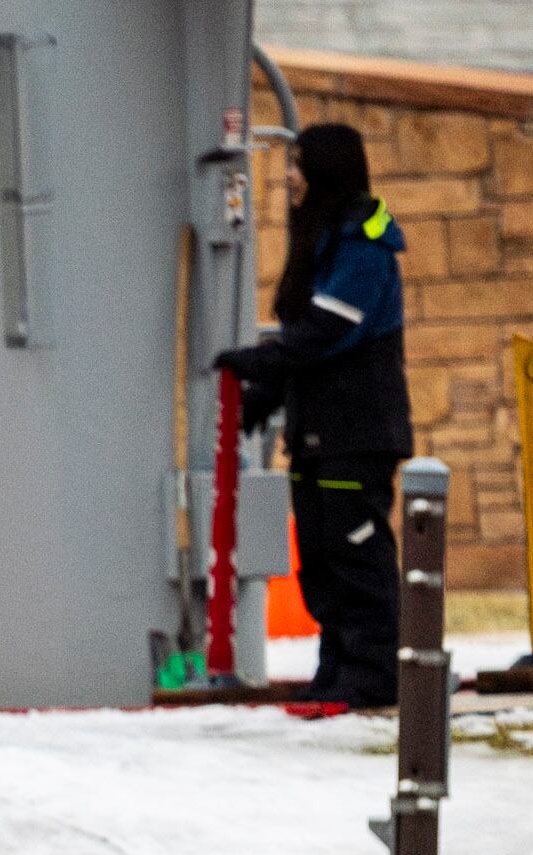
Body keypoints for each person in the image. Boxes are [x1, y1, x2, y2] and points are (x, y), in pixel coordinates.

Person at [216, 123, 412, 710]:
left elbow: (329, 330)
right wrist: (264, 398)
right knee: (323, 562)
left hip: (357, 436)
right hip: (317, 436)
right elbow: (310, 345)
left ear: (329, 169)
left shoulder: (363, 247)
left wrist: (258, 360)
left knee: (356, 553)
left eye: (299, 164)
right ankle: (338, 668)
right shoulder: (325, 243)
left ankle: (372, 673)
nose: (289, 177)